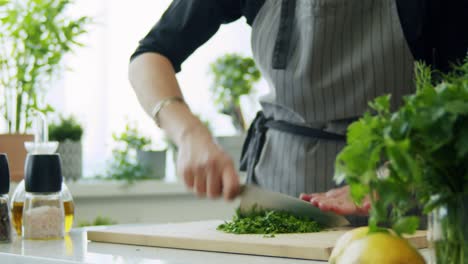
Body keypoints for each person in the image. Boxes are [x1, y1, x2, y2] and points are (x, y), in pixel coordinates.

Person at [128, 0, 468, 223]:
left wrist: (395, 173)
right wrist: (188, 133)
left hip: (400, 190)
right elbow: (151, 55)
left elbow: (459, 104)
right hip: (279, 190)